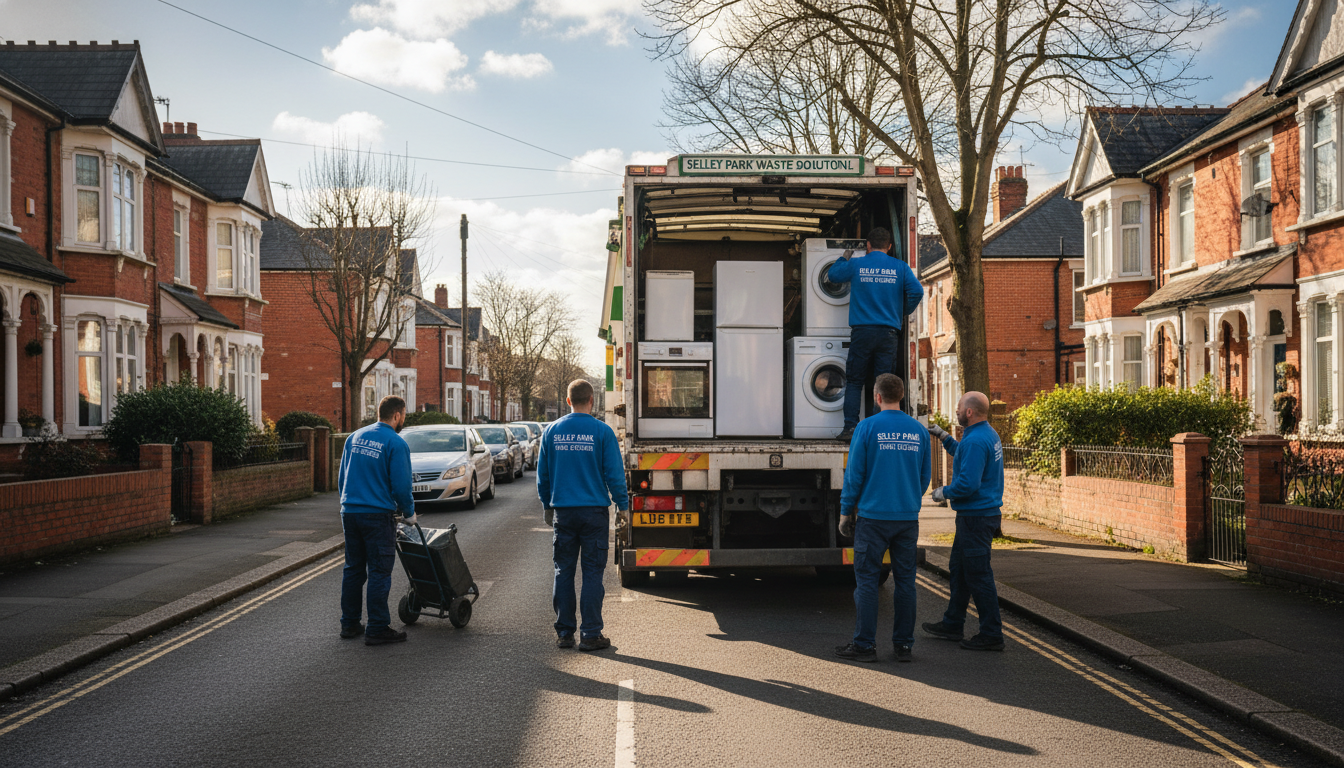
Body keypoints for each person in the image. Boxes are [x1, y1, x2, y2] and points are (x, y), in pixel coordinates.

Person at [835, 374, 930, 663]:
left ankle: (864, 645)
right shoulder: (919, 431)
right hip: (906, 518)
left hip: (872, 518)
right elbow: (924, 476)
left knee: (866, 581)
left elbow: (854, 476)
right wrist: (908, 499)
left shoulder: (866, 428)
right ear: (901, 395)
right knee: (905, 583)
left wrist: (845, 511)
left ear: (877, 397)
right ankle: (903, 646)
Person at [537, 379, 629, 652]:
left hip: (563, 513)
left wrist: (547, 505)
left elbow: (543, 476)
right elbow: (614, 474)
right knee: (592, 573)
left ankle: (565, 633)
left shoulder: (551, 432)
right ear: (592, 400)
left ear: (568, 401)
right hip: (593, 514)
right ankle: (590, 633)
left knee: (563, 571)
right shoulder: (602, 432)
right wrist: (622, 506)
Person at [924, 391, 1007, 651]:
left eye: (959, 406)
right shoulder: (986, 434)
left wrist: (942, 492)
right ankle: (953, 624)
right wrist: (943, 437)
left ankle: (991, 634)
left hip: (976, 517)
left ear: (969, 412)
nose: (956, 410)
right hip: (979, 516)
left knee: (979, 576)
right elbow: (965, 455)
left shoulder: (975, 440)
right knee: (959, 571)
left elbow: (968, 484)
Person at [825, 226, 924, 443]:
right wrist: (901, 311)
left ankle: (850, 428)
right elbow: (917, 291)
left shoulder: (858, 263)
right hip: (888, 333)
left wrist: (844, 257)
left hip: (862, 332)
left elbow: (832, 276)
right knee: (882, 382)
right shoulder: (900, 267)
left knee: (854, 381)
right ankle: (878, 430)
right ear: (889, 247)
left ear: (868, 246)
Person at [337, 395, 416, 646]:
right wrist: (409, 512)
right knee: (380, 571)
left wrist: (348, 502)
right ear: (397, 415)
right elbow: (402, 485)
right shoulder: (395, 442)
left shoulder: (355, 437)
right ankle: (378, 627)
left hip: (350, 511)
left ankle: (349, 624)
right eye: (404, 415)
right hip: (377, 515)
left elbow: (342, 478)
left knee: (353, 569)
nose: (403, 419)